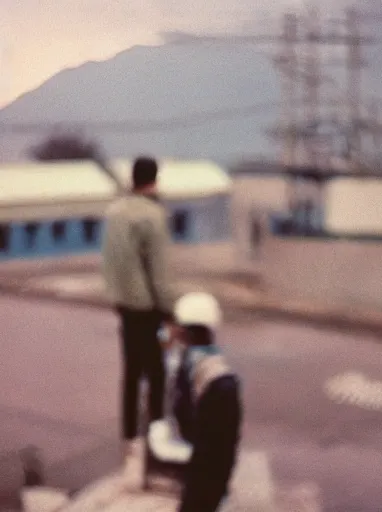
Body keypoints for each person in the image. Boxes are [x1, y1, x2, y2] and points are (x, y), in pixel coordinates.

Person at [101, 156, 176, 467]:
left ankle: (129, 435)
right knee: (156, 373)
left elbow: (110, 258)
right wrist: (169, 310)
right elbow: (158, 271)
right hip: (146, 306)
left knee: (131, 371)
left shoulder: (115, 212)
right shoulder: (153, 215)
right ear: (155, 179)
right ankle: (156, 438)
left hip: (122, 303)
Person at [168, 292, 243, 512]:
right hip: (207, 465)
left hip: (205, 468)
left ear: (183, 331)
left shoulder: (211, 377)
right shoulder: (199, 366)